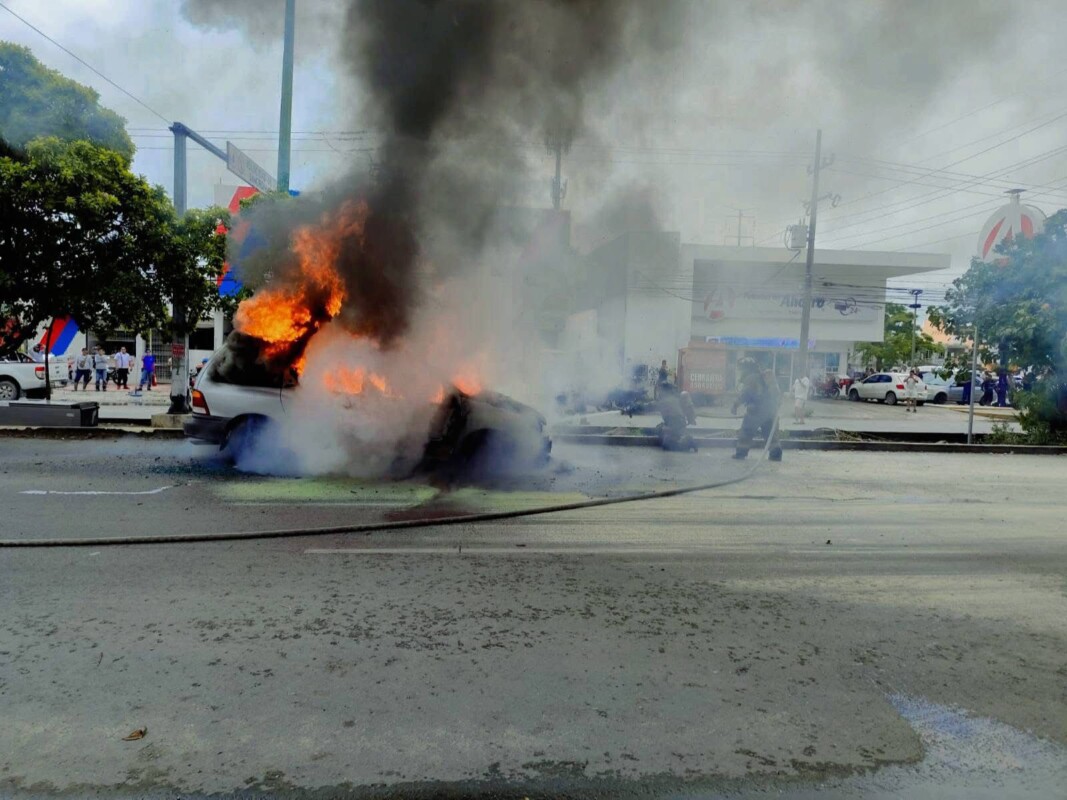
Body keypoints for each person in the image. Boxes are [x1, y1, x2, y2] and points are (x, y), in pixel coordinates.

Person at [732, 358, 782, 461]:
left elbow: (744, 394)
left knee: (746, 432)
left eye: (742, 369)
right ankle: (775, 454)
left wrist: (735, 405)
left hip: (755, 411)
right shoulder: (764, 378)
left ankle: (741, 452)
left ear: (747, 368)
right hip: (771, 412)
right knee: (771, 435)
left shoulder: (751, 378)